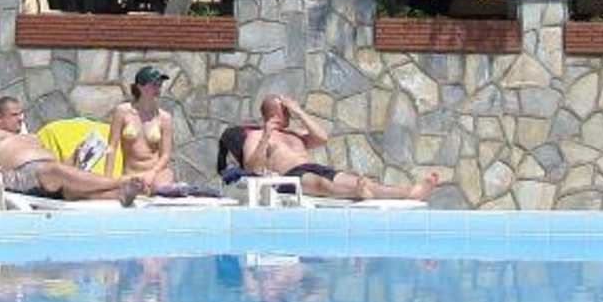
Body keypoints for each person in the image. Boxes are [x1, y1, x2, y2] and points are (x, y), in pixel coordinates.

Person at [218, 95, 440, 201]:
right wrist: (266, 135)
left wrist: (300, 112)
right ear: (273, 113)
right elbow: (253, 167)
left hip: (314, 167)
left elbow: (323, 138)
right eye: (285, 110)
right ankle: (356, 193)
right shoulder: (256, 136)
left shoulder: (295, 134)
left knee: (363, 181)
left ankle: (410, 193)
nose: (289, 113)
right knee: (322, 184)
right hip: (290, 176)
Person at [0, 96, 142, 205]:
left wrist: (77, 155)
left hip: (48, 176)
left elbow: (60, 167)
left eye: (21, 114)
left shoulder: (31, 137)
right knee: (54, 172)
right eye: (14, 115)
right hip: (22, 176)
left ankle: (119, 194)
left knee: (68, 185)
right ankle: (119, 182)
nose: (21, 118)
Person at [107, 65, 181, 193]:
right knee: (130, 185)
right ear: (140, 87)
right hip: (131, 174)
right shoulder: (123, 111)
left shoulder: (164, 118)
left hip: (155, 174)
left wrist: (152, 173)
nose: (158, 88)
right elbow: (112, 147)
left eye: (160, 84)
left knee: (163, 182)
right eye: (154, 84)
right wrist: (107, 180)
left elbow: (165, 155)